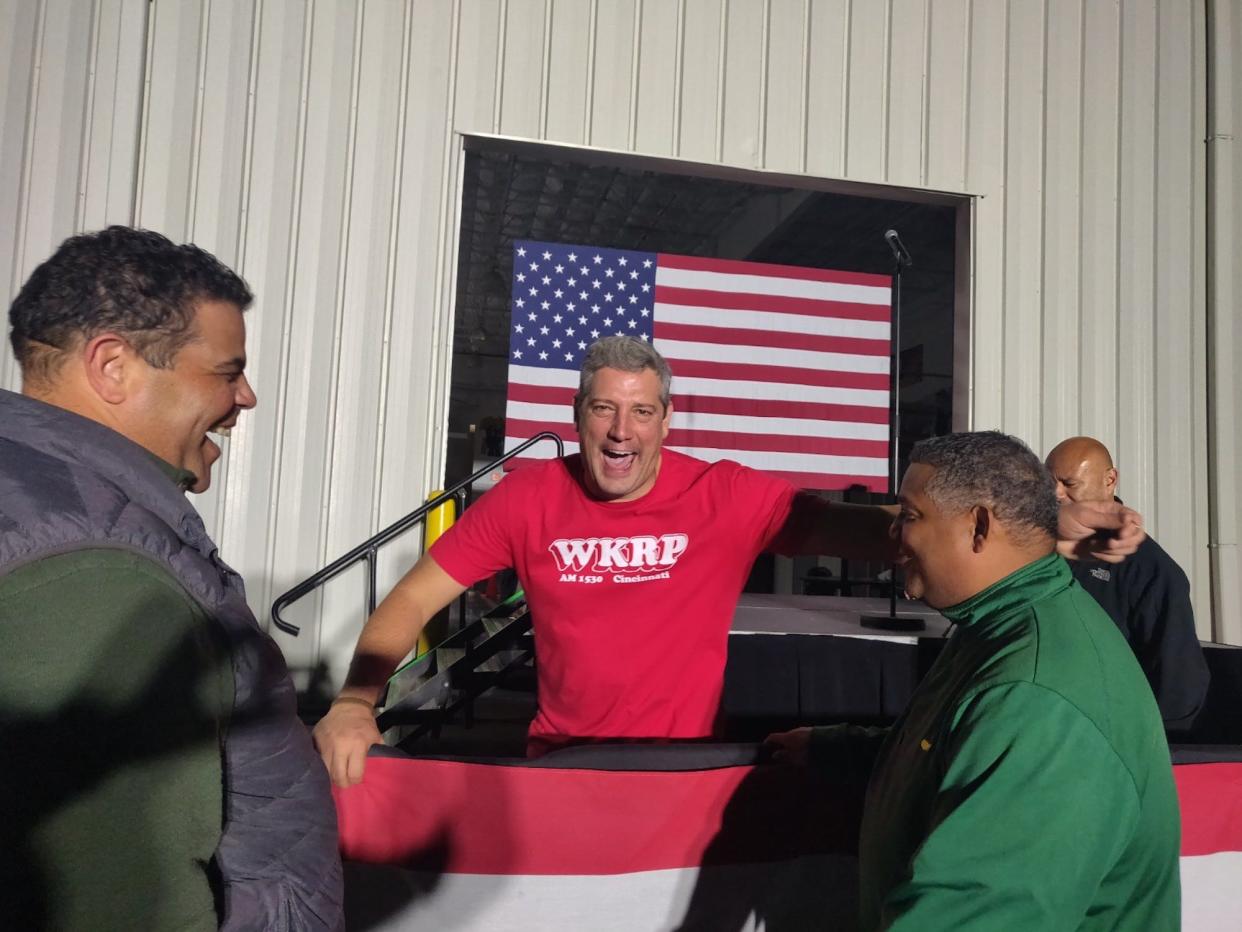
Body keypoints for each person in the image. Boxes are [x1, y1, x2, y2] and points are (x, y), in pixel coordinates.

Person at [314, 337, 1145, 786]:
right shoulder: (527, 500)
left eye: (641, 411)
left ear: (667, 421)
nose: (620, 429)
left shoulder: (724, 495)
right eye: (604, 406)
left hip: (687, 767)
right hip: (558, 766)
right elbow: (410, 600)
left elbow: (867, 530)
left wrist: (1049, 528)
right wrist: (356, 701)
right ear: (576, 415)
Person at [0, 227, 342, 931]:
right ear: (113, 367)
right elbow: (116, 896)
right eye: (225, 371)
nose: (245, 396)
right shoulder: (94, 574)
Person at [767, 432, 1180, 931]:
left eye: (910, 516)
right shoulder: (999, 626)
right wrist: (836, 750)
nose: (894, 535)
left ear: (979, 526)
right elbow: (950, 748)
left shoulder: (1035, 695)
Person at [1046, 435, 1210, 731]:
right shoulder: (1033, 549)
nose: (1056, 493)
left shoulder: (1154, 572)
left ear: (1110, 480)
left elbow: (1177, 686)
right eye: (1049, 482)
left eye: (1069, 483)